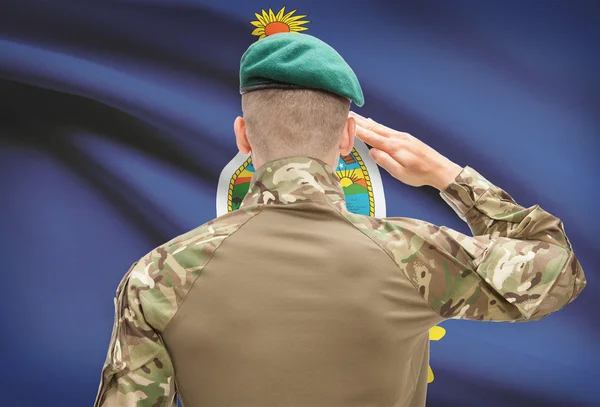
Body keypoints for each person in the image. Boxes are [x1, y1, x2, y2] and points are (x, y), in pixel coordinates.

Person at [94, 32, 587, 407]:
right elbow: (558, 269)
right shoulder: (417, 256)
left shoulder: (157, 275)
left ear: (243, 136)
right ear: (349, 137)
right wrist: (449, 177)